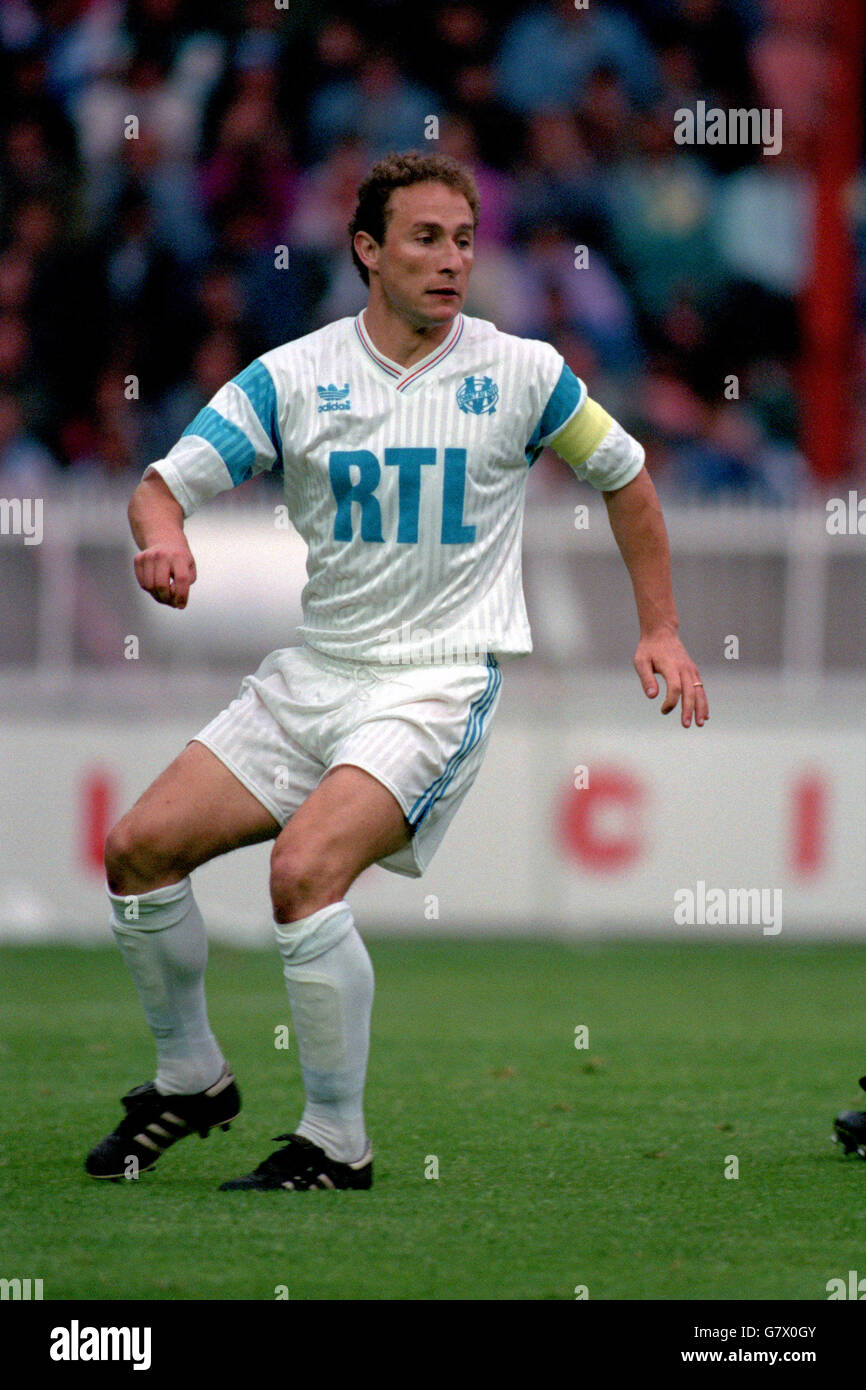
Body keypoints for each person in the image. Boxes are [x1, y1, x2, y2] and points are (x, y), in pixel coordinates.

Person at [85, 151, 708, 1192]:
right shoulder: (293, 375)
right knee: (138, 848)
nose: (450, 260)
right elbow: (161, 484)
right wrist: (164, 540)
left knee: (302, 872)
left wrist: (662, 628)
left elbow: (627, 478)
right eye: (424, 238)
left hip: (434, 681)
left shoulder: (523, 371)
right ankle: (190, 1077)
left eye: (463, 240)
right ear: (367, 250)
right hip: (316, 671)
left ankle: (336, 1141)